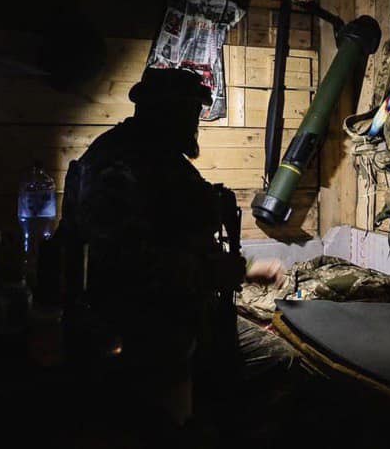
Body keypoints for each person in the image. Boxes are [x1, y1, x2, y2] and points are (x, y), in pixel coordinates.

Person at [58, 67, 284, 437]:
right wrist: (211, 273)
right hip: (132, 331)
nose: (194, 124)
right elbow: (120, 263)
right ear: (164, 111)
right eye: (189, 112)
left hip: (169, 316)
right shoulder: (117, 165)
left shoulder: (159, 158)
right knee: (271, 365)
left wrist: (243, 269)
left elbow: (178, 234)